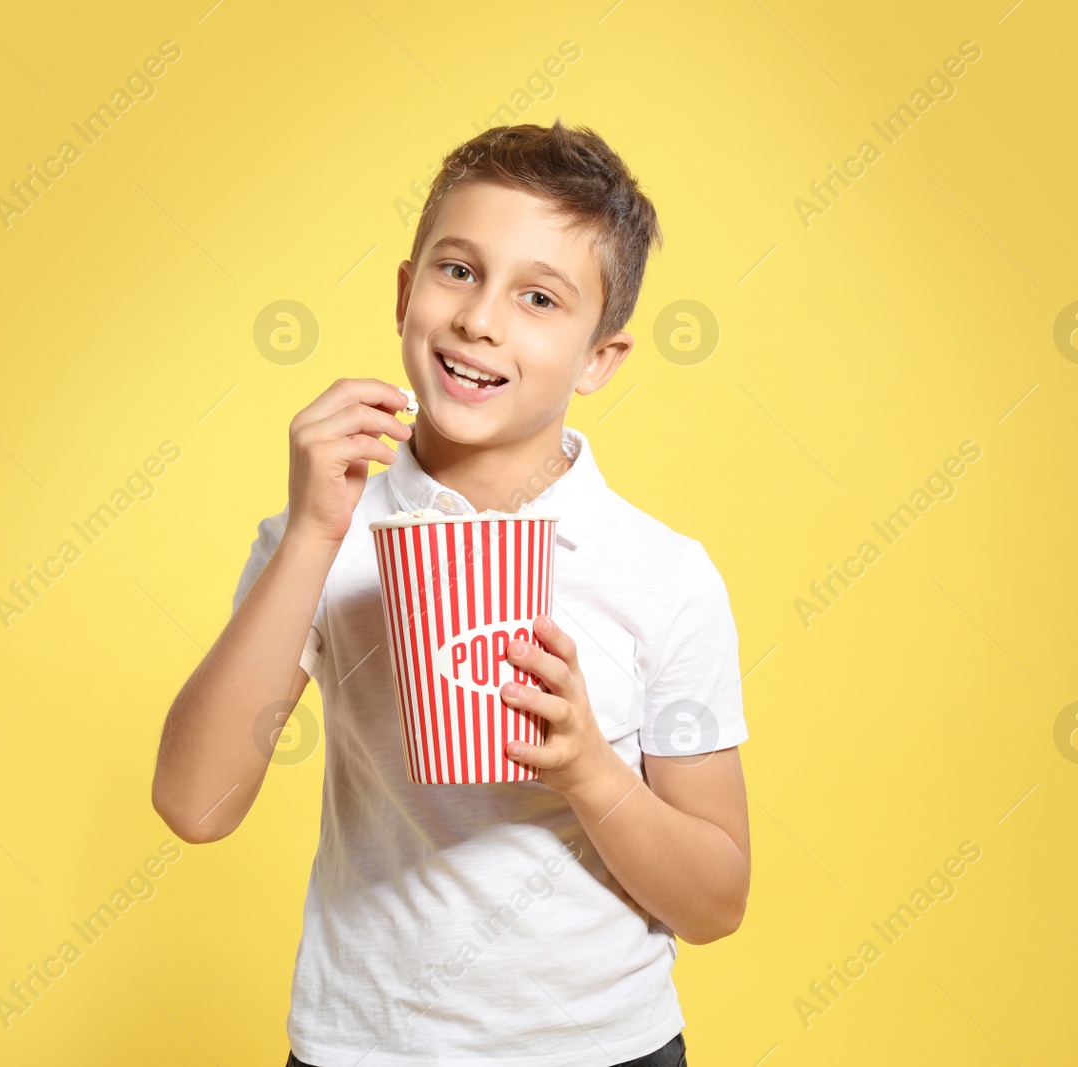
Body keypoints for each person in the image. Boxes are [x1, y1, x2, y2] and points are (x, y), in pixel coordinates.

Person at [151, 119, 749, 1067]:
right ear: (404, 293)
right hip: (365, 1045)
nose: (480, 319)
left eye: (541, 297)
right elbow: (196, 804)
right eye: (458, 270)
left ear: (600, 358)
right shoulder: (319, 537)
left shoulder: (663, 574)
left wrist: (590, 770)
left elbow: (716, 901)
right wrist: (311, 533)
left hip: (603, 1049)